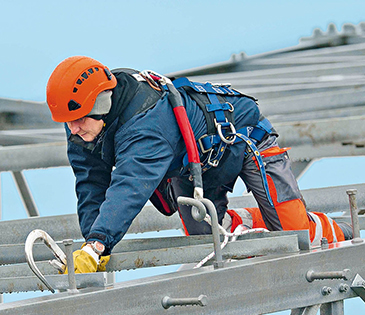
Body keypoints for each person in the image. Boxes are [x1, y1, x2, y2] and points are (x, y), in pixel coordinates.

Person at [46, 56, 352, 273]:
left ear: (102, 105)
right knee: (209, 242)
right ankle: (247, 222)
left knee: (294, 232)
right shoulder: (82, 123)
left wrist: (99, 243)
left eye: (78, 120)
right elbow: (91, 184)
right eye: (67, 123)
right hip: (193, 163)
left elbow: (129, 186)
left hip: (244, 141)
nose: (72, 129)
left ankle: (341, 231)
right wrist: (92, 244)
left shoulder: (146, 125)